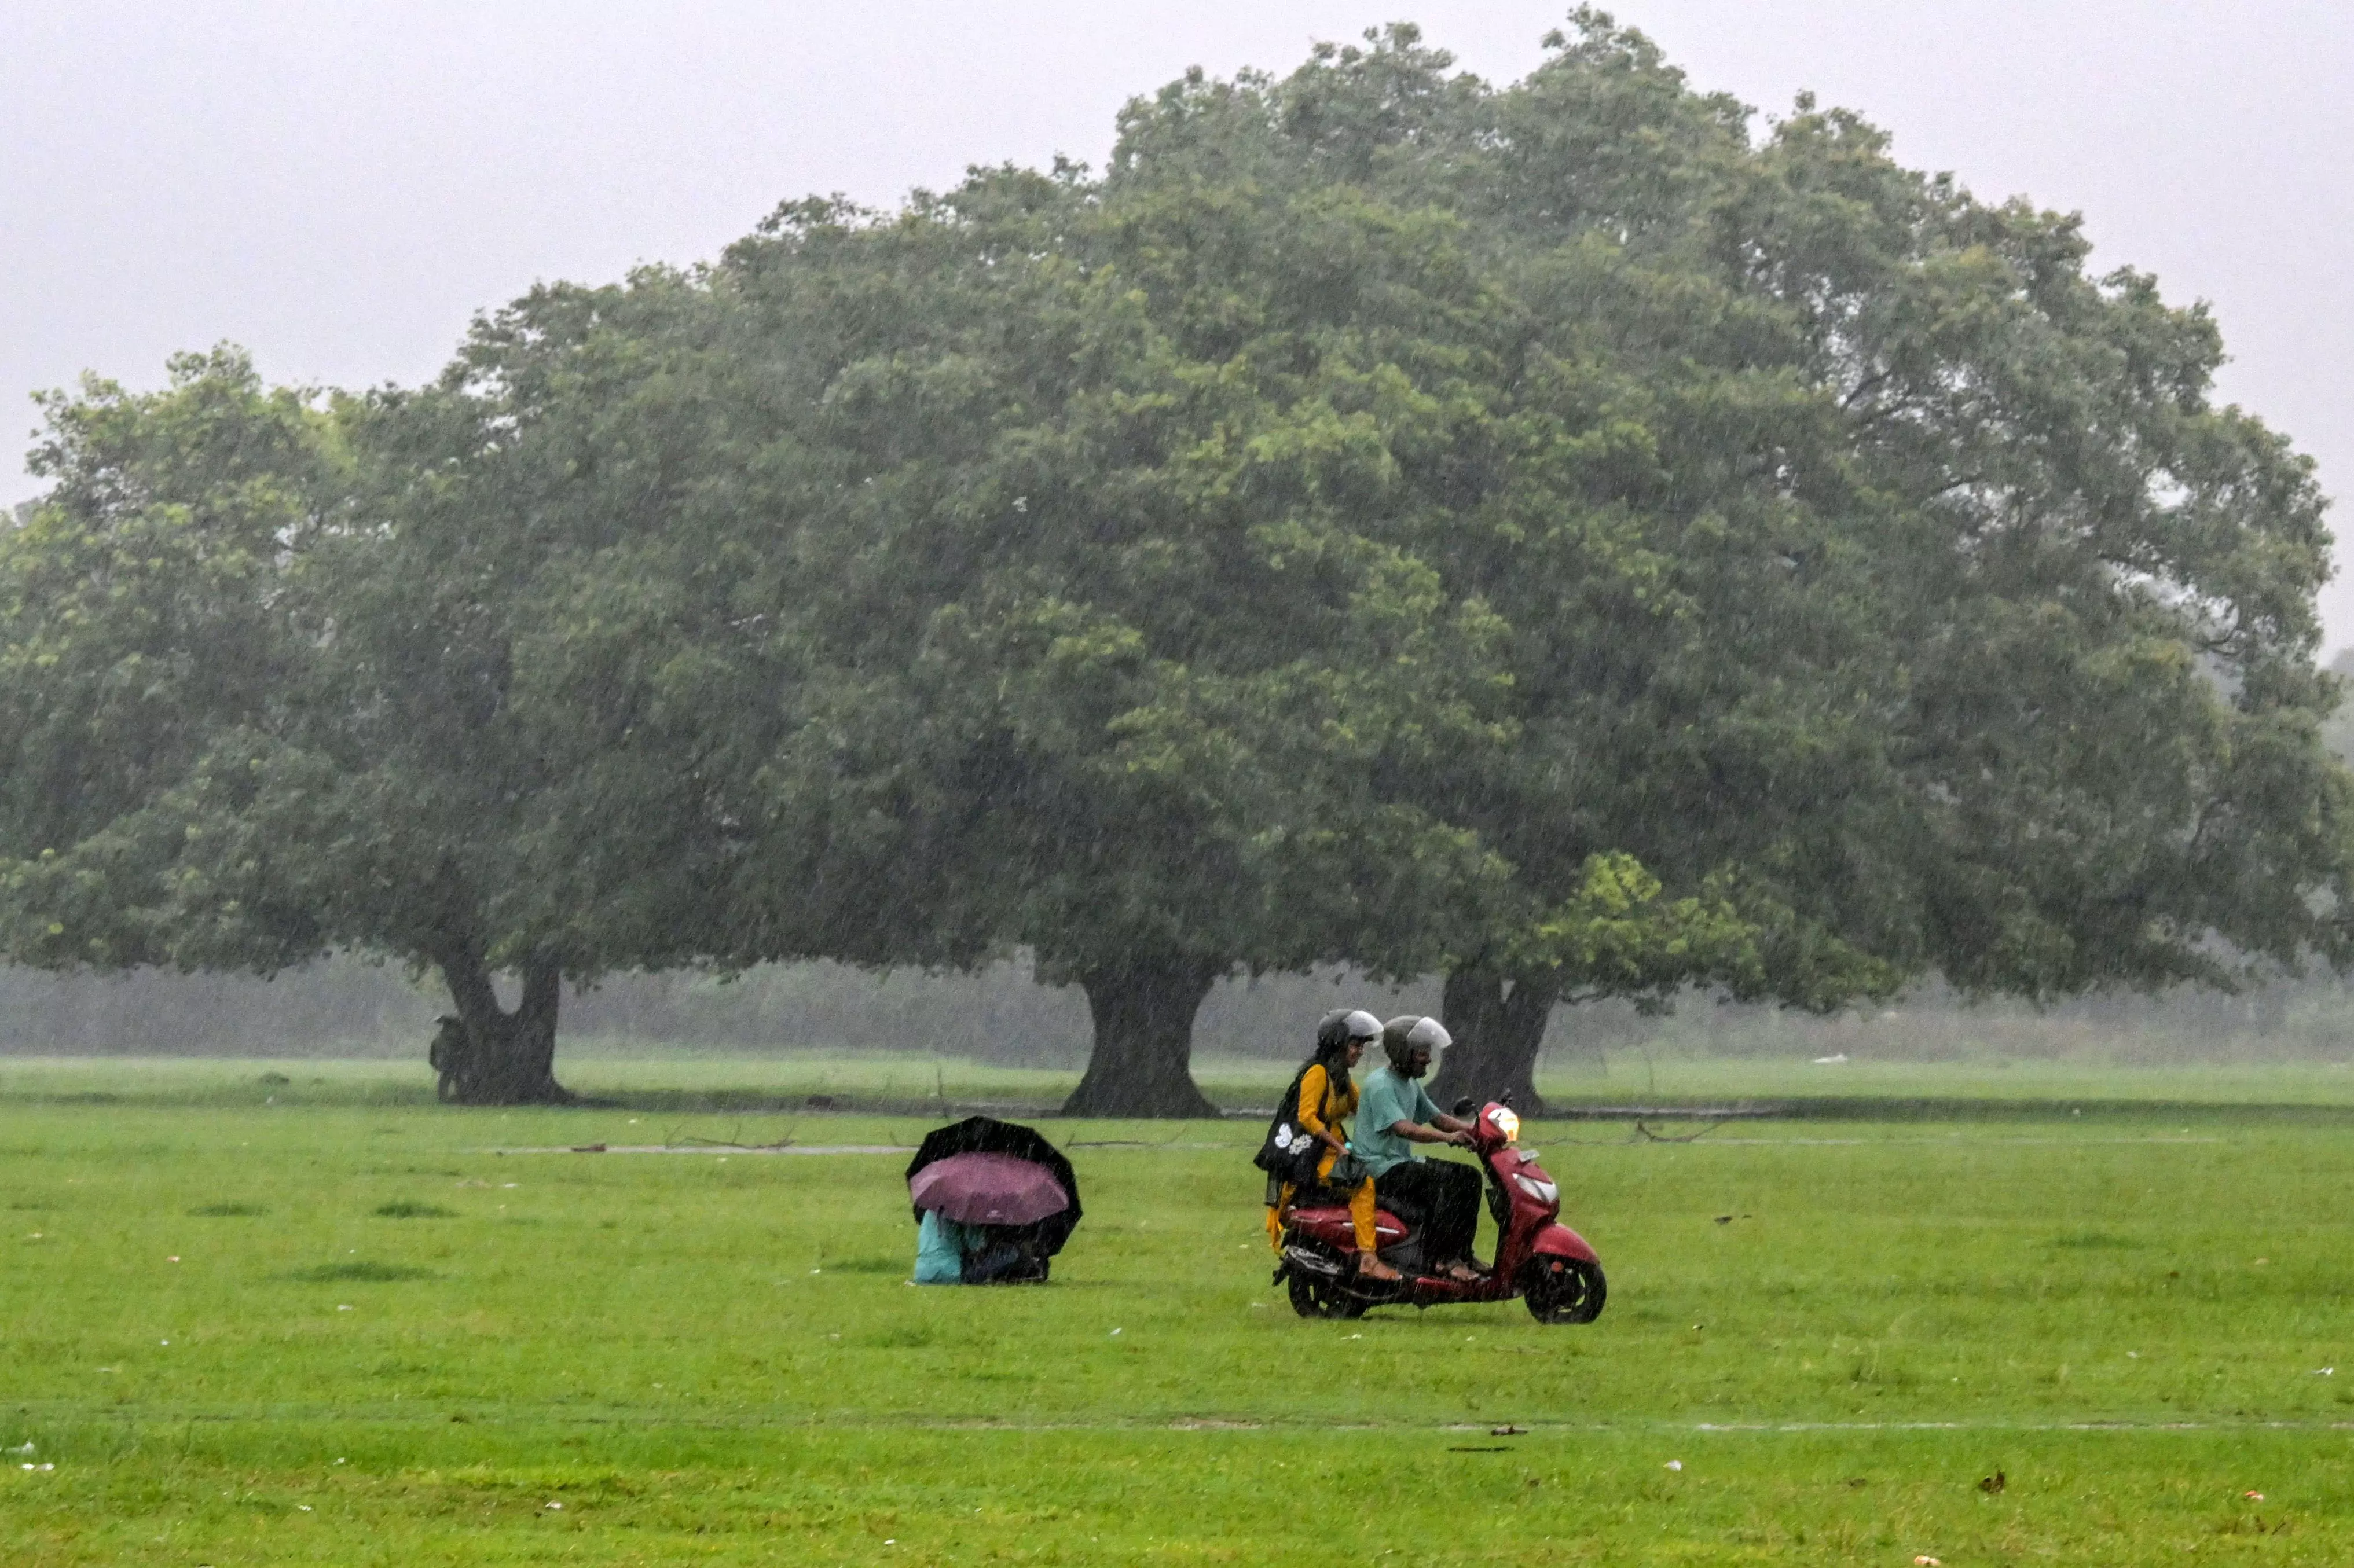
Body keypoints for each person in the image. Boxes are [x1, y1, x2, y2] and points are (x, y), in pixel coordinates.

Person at [1264, 1008, 1397, 1281]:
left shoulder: (1342, 1078)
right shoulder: (1317, 1073)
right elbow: (1307, 1117)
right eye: (1355, 1045)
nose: (1360, 1051)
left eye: (1362, 1045)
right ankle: (1368, 1259)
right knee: (1363, 1185)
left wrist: (1395, 1119)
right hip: (1314, 1156)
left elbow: (1365, 1108)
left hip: (1332, 1150)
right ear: (1338, 1045)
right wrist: (1339, 1146)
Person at [1350, 1015, 1484, 1281]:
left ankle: (1462, 1255)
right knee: (1444, 1181)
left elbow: (1438, 1118)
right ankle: (1442, 1260)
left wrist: (1479, 1132)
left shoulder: (1409, 1084)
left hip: (1398, 1163)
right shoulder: (1380, 1084)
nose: (1428, 1058)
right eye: (1422, 1053)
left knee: (1469, 1177)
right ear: (1403, 1052)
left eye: (1428, 1052)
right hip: (1378, 1168)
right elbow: (1404, 1128)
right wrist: (1448, 1139)